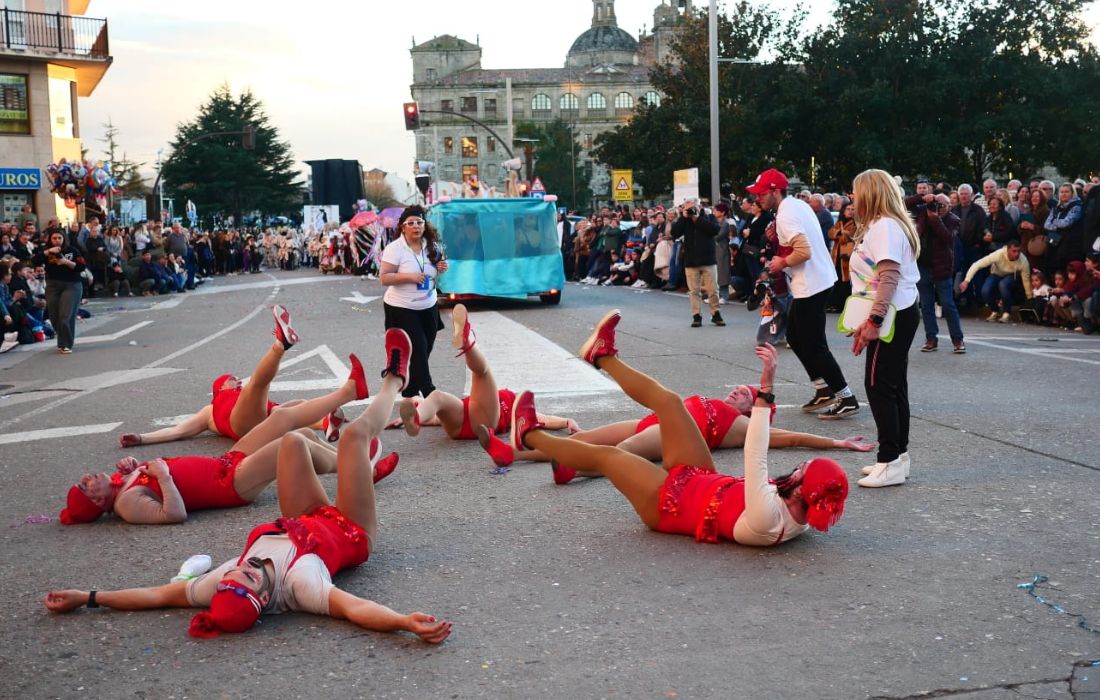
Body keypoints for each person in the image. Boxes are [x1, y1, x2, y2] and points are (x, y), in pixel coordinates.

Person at [46, 329, 451, 644]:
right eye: (250, 579)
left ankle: (359, 468)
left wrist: (89, 597)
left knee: (290, 441)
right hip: (350, 529)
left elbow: (158, 596)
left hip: (304, 516)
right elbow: (355, 608)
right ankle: (395, 379)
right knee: (354, 437)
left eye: (235, 573)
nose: (246, 568)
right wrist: (403, 622)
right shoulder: (302, 586)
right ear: (264, 600)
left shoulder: (224, 581)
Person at [507, 310, 849, 546]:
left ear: (803, 491)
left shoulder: (767, 519)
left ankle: (529, 434)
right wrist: (839, 445)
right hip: (702, 478)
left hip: (669, 505)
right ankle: (602, 356)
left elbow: (756, 453)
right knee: (670, 402)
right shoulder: (802, 511)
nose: (798, 468)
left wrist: (766, 387)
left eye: (803, 471)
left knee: (611, 457)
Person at [59, 347, 380, 526]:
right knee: (291, 444)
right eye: (85, 486)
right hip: (231, 484)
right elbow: (173, 514)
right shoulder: (127, 505)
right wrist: (163, 475)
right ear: (97, 501)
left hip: (225, 464)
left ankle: (354, 420)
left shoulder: (122, 485)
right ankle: (361, 467)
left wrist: (136, 462)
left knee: (286, 420)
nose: (87, 478)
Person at [118, 306, 347, 447]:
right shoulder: (209, 411)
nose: (237, 381)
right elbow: (177, 431)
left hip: (268, 422)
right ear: (219, 388)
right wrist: (142, 438)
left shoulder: (240, 397)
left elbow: (284, 413)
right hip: (244, 426)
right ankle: (280, 344)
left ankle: (327, 423)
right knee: (256, 385)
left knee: (297, 405)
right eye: (232, 379)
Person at [748, 168, 859, 419]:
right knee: (796, 337)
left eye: (761, 193)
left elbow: (803, 251)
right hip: (815, 281)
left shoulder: (786, 214)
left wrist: (780, 263)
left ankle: (845, 396)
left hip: (812, 284)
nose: (758, 198)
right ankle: (823, 388)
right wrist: (777, 242)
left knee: (813, 343)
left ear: (775, 191)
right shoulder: (794, 206)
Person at [391, 304, 576, 441]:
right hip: (461, 420)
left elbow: (543, 419)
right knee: (438, 397)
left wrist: (566, 421)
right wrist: (413, 417)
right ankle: (416, 418)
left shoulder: (517, 405)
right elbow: (436, 420)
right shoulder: (500, 397)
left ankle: (466, 343)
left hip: (483, 421)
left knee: (483, 372)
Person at [846, 169, 922, 488]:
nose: (852, 199)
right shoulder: (887, 224)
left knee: (879, 386)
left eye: (855, 193)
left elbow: (889, 277)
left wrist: (874, 321)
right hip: (898, 311)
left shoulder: (884, 226)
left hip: (892, 314)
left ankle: (889, 460)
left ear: (870, 194)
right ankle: (898, 457)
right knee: (893, 385)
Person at [379, 206, 449, 398]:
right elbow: (384, 278)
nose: (416, 226)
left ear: (424, 225)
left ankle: (410, 388)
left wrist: (442, 266)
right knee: (418, 348)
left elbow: (440, 266)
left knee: (426, 348)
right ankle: (429, 391)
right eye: (411, 223)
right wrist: (409, 277)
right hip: (402, 307)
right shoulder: (395, 249)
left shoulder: (433, 245)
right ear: (403, 227)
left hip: (429, 305)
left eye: (419, 222)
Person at [910, 192, 966, 353]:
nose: (939, 208)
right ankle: (931, 339)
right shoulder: (923, 211)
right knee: (926, 305)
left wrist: (934, 219)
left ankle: (958, 340)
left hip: (942, 268)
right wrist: (922, 198)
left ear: (950, 206)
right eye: (937, 204)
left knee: (948, 304)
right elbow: (904, 204)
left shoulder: (953, 220)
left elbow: (948, 238)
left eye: (943, 205)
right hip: (923, 266)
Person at [670, 200, 724, 327]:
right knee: (694, 291)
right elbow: (674, 233)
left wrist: (697, 218)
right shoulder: (684, 220)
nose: (690, 211)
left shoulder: (709, 217)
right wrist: (683, 217)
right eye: (687, 208)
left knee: (713, 289)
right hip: (691, 260)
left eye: (692, 208)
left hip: (708, 260)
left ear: (699, 207)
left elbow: (714, 230)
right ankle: (696, 315)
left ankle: (716, 313)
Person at [32, 230, 85, 354]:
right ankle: (62, 341)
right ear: (50, 240)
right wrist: (48, 252)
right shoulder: (47, 251)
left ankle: (66, 344)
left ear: (64, 239)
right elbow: (34, 261)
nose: (57, 241)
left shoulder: (72, 250)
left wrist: (66, 262)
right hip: (53, 285)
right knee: (54, 316)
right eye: (54, 238)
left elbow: (82, 266)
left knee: (65, 316)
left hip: (71, 285)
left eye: (59, 238)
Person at [959, 240, 1032, 322]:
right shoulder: (998, 254)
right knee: (985, 289)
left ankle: (1007, 313)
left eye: (1019, 251)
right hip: (997, 274)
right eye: (1014, 251)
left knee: (1003, 284)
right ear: (1007, 250)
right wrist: (966, 280)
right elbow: (977, 264)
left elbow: (1026, 281)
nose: (1017, 254)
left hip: (1012, 277)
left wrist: (1030, 299)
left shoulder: (1023, 261)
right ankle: (995, 311)